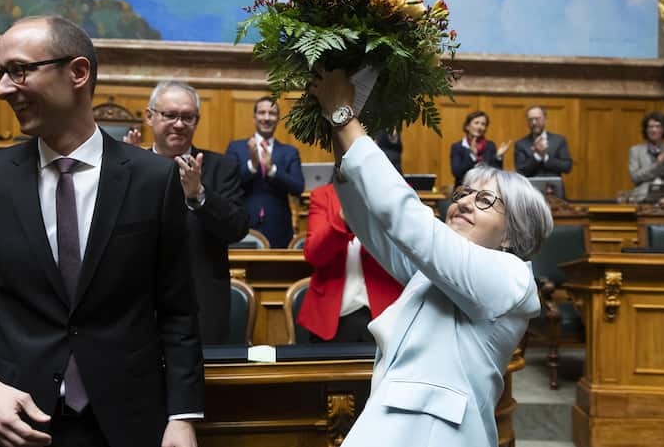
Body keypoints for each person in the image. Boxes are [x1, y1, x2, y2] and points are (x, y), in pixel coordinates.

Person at [0, 16, 203, 447]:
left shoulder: (154, 179)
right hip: (15, 419)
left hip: (130, 420)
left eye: (18, 70)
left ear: (78, 72)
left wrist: (183, 416)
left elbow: (177, 309)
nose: (2, 89)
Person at [308, 69, 552, 447]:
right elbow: (368, 222)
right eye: (463, 194)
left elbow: (408, 219)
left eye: (484, 200)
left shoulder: (511, 278)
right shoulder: (435, 274)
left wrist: (346, 116)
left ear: (511, 234)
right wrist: (338, 125)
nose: (466, 202)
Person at [124, 80, 249, 344]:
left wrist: (198, 195)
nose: (179, 124)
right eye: (170, 115)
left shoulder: (221, 167)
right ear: (150, 116)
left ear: (197, 120)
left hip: (201, 306)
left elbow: (237, 228)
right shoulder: (128, 167)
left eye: (188, 117)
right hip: (136, 307)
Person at [297, 183, 403, 343]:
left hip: (387, 311)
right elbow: (314, 255)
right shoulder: (323, 195)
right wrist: (342, 220)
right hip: (332, 316)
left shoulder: (396, 192)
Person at [225, 97, 304, 248]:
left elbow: (298, 188)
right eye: (262, 113)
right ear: (254, 117)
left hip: (278, 226)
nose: (266, 118)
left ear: (278, 118)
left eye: (272, 113)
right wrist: (252, 166)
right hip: (242, 223)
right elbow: (228, 183)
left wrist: (272, 170)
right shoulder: (236, 148)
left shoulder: (289, 152)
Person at [628, 111, 664, 201]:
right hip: (643, 197)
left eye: (658, 126)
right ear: (646, 129)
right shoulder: (635, 150)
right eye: (650, 127)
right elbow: (634, 177)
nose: (654, 130)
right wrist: (656, 165)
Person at [450, 111, 509, 187]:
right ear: (467, 126)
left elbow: (496, 173)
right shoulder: (457, 147)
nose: (479, 127)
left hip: (486, 189)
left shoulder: (490, 146)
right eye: (476, 123)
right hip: (464, 191)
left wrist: (498, 157)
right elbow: (457, 173)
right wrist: (472, 156)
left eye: (483, 124)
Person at [514, 106, 572, 178]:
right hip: (530, 188)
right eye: (530, 119)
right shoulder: (520, 144)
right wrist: (537, 156)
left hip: (553, 188)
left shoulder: (559, 140)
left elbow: (567, 167)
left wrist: (545, 157)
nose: (534, 122)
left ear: (545, 119)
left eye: (537, 119)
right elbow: (520, 171)